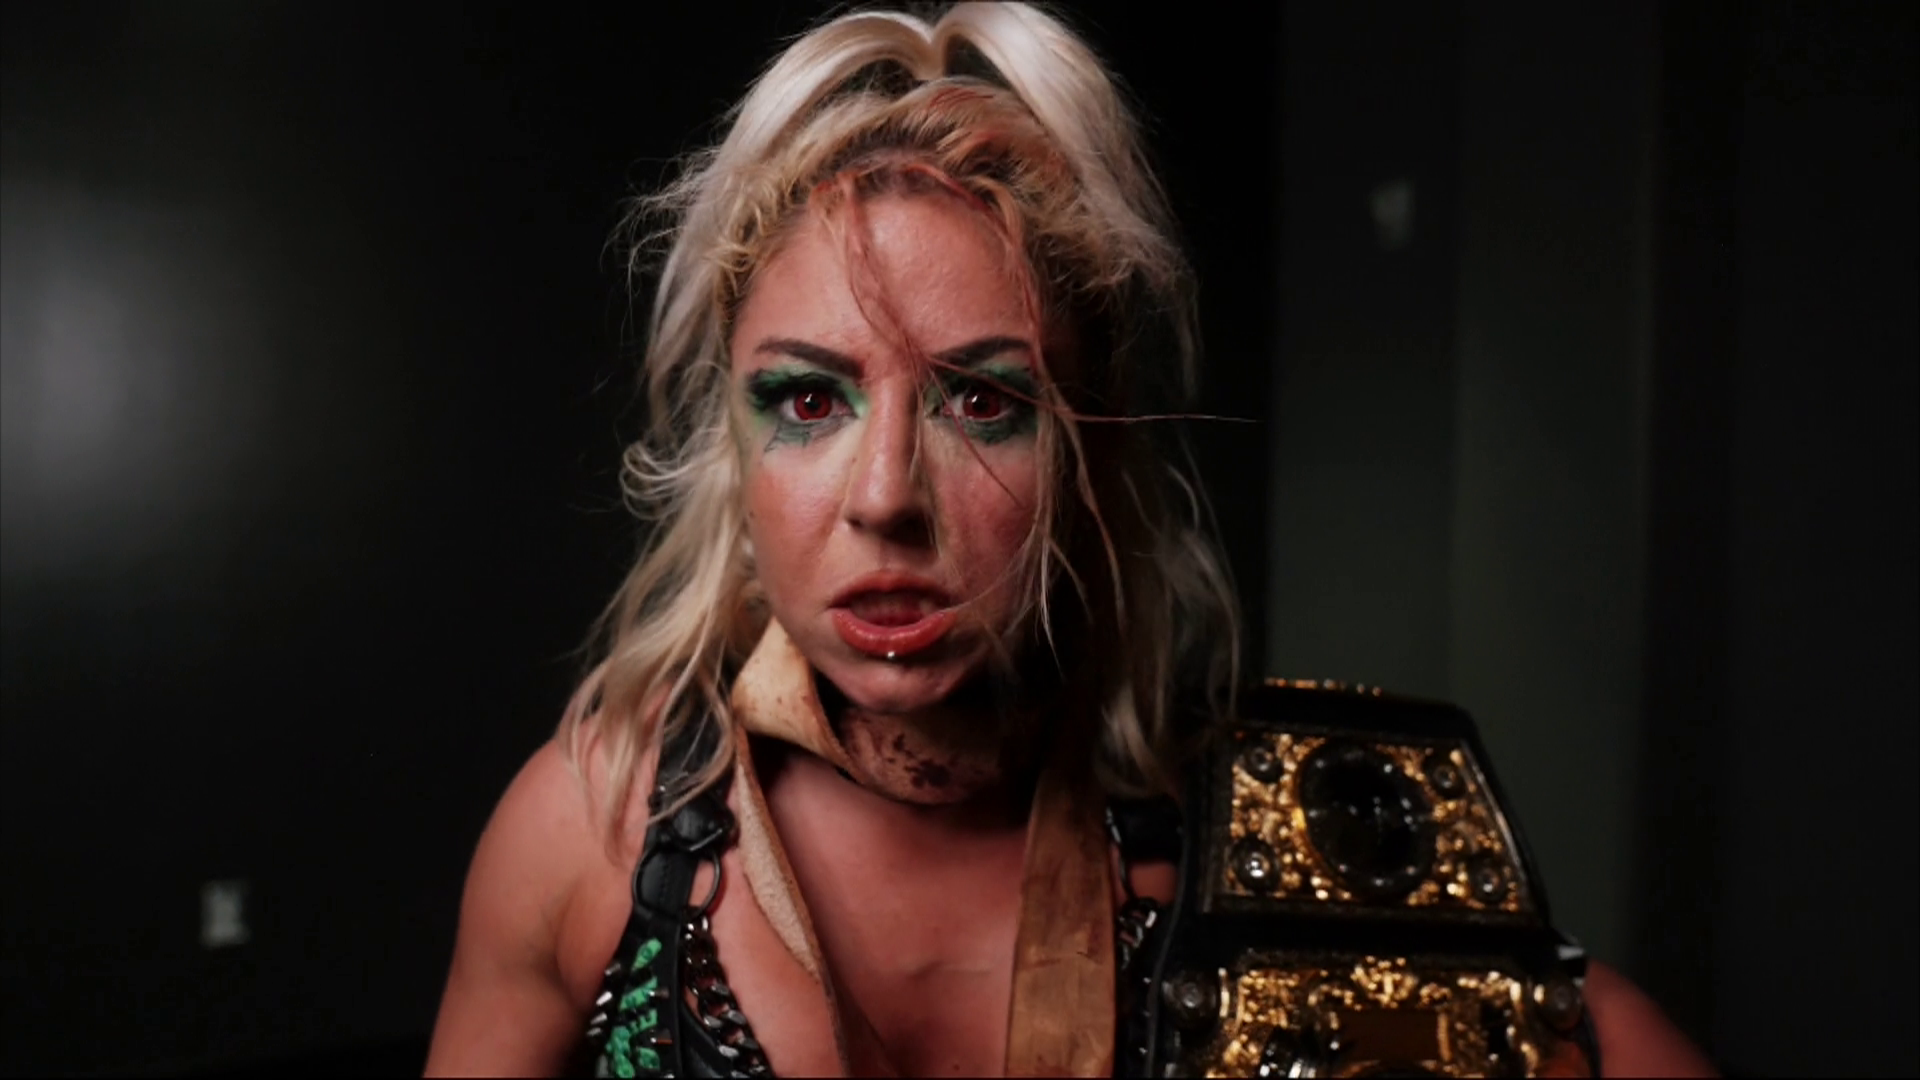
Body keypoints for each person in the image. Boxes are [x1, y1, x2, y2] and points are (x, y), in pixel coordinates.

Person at [424, 4, 1717, 1076]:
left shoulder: (1282, 837)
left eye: (983, 402)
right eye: (809, 402)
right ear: (737, 453)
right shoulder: (597, 832)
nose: (885, 496)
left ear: (1090, 452)